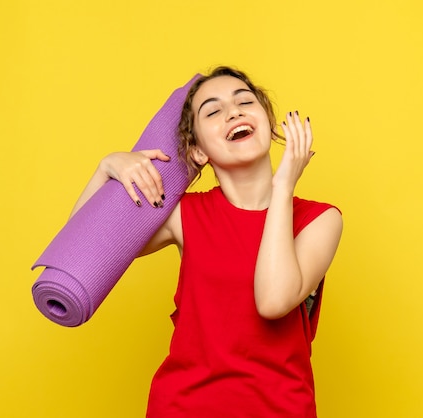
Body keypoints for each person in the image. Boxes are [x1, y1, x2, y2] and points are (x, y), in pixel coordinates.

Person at [70, 66, 343, 417]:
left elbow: (273, 300)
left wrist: (283, 187)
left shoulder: (319, 220)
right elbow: (84, 249)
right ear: (198, 151)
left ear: (269, 123)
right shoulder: (185, 216)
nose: (234, 112)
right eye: (213, 111)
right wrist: (106, 168)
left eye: (245, 101)